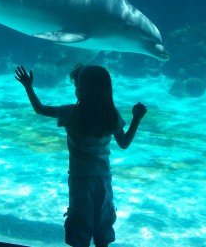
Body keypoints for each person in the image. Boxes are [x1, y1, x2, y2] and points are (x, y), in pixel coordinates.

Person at [15, 65, 147, 247]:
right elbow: (124, 143)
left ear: (82, 89)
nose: (75, 89)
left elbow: (40, 109)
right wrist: (136, 119)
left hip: (80, 179)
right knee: (102, 219)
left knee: (79, 222)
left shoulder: (71, 112)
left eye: (77, 85)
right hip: (103, 179)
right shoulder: (110, 114)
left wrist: (28, 86)